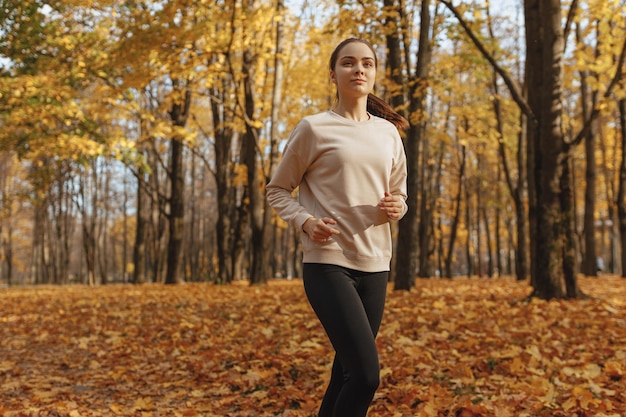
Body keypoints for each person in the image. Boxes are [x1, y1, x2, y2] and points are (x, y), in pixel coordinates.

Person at [266, 37, 409, 417]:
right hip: (328, 263)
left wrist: (399, 206)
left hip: (376, 263)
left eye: (366, 63)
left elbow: (400, 196)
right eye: (348, 63)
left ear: (374, 74)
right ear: (334, 74)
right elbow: (277, 190)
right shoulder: (314, 128)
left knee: (345, 373)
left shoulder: (389, 133)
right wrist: (306, 221)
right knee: (365, 376)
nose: (358, 69)